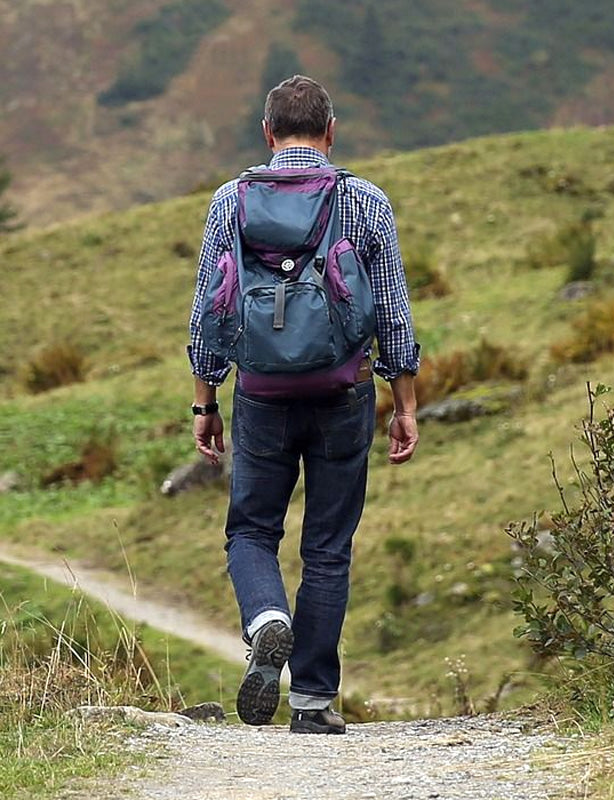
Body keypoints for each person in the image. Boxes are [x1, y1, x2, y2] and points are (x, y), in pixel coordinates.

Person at [186, 75, 420, 735]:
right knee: (328, 547)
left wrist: (205, 400)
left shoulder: (230, 201)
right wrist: (404, 402)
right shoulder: (364, 201)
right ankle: (313, 701)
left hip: (260, 393)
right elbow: (394, 313)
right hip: (344, 391)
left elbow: (209, 308)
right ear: (330, 131)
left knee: (252, 530)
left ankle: (267, 618)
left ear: (267, 133)